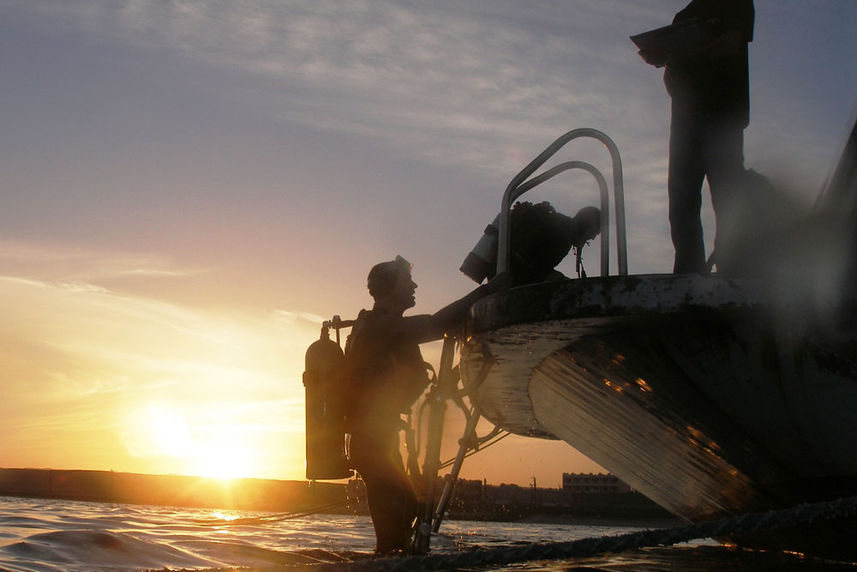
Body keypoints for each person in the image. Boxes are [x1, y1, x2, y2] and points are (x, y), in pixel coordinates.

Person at [343, 255, 507, 554]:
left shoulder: (388, 329)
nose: (415, 285)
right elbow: (435, 324)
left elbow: (427, 380)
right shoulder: (380, 328)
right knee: (395, 529)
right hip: (371, 443)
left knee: (408, 509)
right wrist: (487, 291)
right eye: (408, 282)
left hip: (381, 439)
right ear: (391, 287)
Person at [639, 0, 755, 273]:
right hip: (684, 127)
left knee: (727, 199)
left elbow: (730, 43)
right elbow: (670, 79)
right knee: (681, 204)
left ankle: (733, 271)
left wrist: (678, 56)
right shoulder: (684, 16)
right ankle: (688, 276)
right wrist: (663, 58)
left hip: (723, 118)